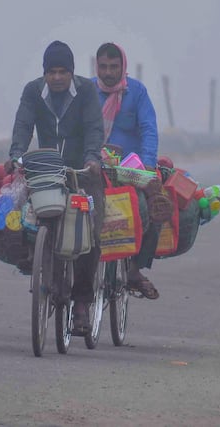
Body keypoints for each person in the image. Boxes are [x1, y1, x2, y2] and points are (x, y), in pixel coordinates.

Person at [6, 40, 105, 334]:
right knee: (34, 223)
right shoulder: (32, 92)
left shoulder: (86, 91)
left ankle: (83, 304)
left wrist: (92, 159)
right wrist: (16, 155)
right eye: (52, 72)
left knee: (89, 232)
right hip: (47, 172)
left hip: (83, 172)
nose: (58, 77)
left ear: (72, 73)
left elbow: (94, 128)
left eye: (63, 71)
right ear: (45, 73)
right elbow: (23, 126)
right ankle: (45, 274)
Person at [92, 42, 161, 299]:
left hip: (131, 170)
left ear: (123, 67)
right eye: (103, 67)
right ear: (96, 66)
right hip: (93, 165)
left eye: (114, 66)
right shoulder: (87, 90)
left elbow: (149, 130)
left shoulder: (138, 92)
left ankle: (134, 270)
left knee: (149, 209)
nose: (108, 72)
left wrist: (148, 167)